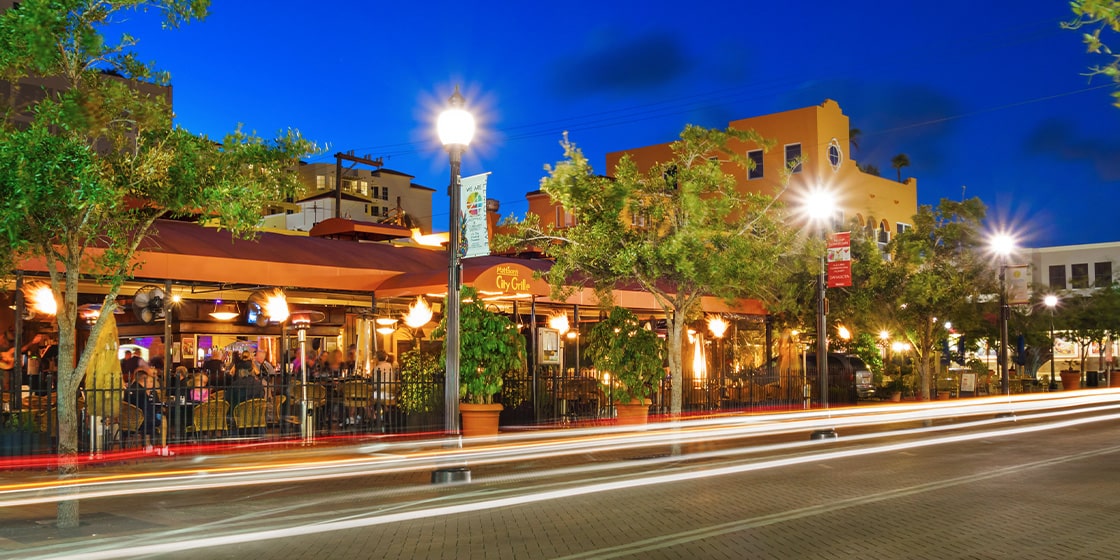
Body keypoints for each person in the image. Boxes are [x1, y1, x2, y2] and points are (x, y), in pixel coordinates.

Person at [127, 368, 172, 455]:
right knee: (163, 420)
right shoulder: (141, 392)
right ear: (144, 380)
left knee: (159, 417)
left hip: (129, 420)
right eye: (149, 381)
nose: (151, 383)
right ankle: (163, 447)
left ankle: (149, 445)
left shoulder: (130, 389)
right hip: (142, 421)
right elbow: (147, 409)